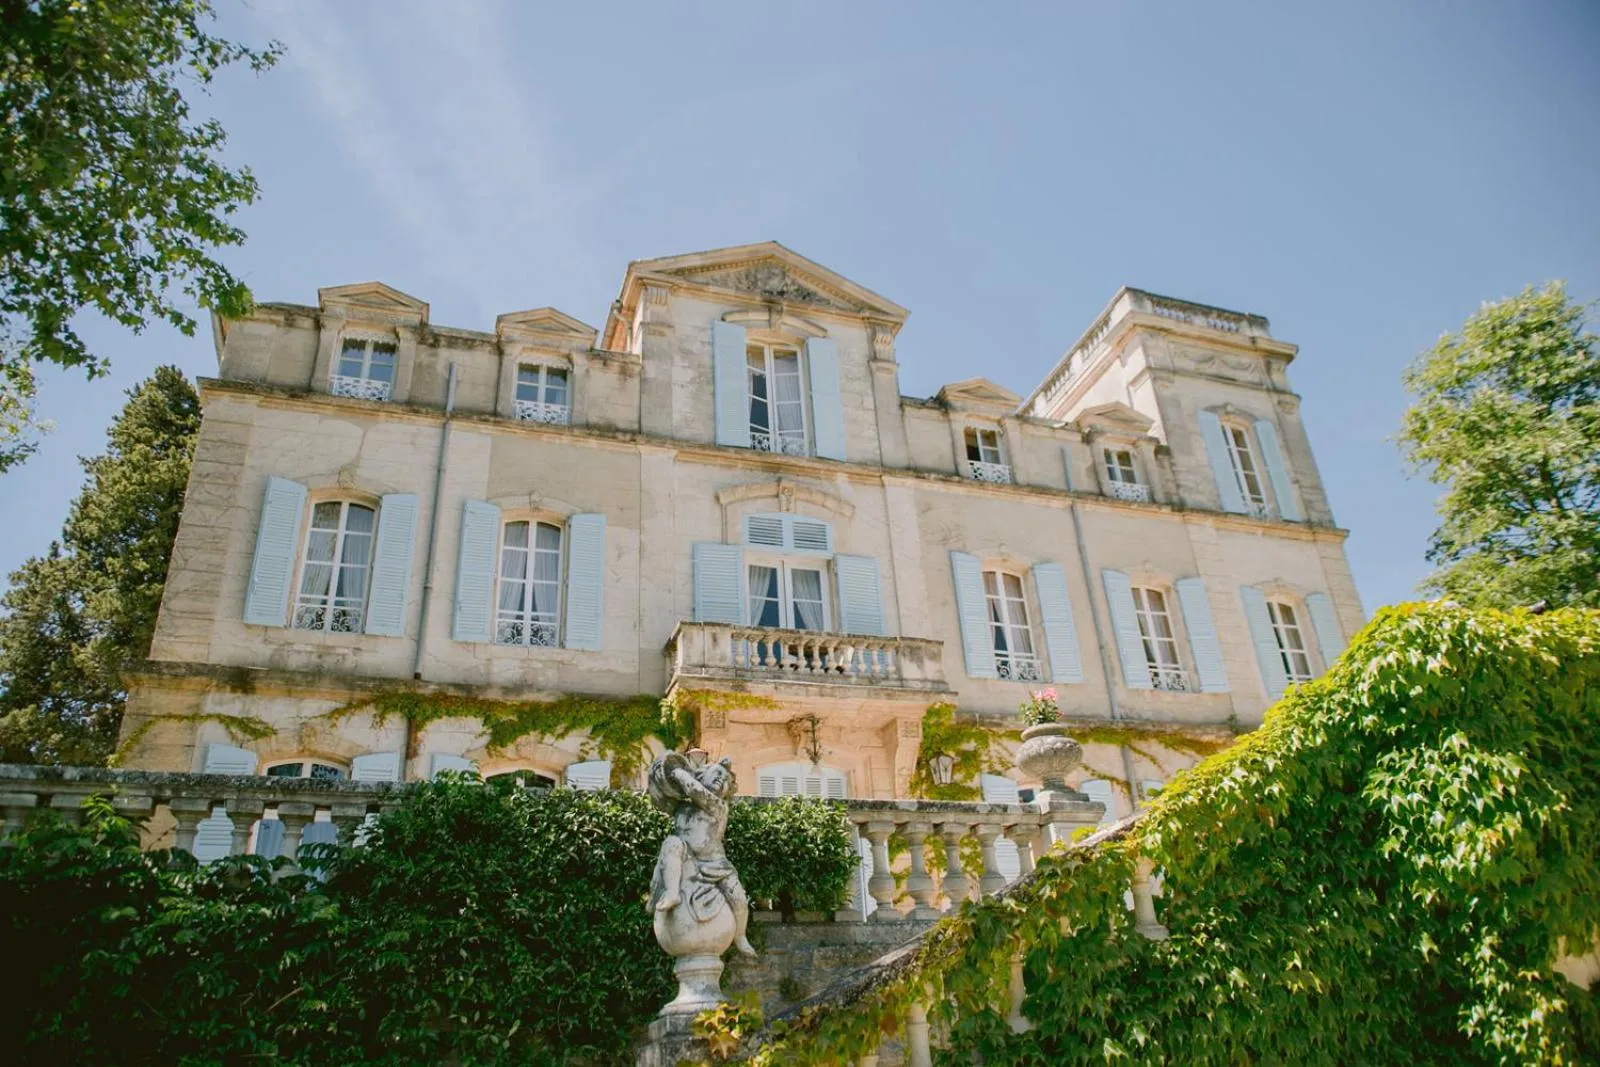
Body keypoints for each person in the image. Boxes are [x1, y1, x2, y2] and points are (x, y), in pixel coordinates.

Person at [648, 752, 755, 956]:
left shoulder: (718, 806)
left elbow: (695, 790)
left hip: (716, 864)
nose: (720, 780)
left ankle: (740, 935)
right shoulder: (681, 807)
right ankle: (671, 893)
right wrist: (659, 774)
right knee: (671, 843)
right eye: (717, 774)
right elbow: (660, 797)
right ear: (700, 775)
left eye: (725, 781)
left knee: (739, 899)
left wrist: (678, 773)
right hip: (687, 856)